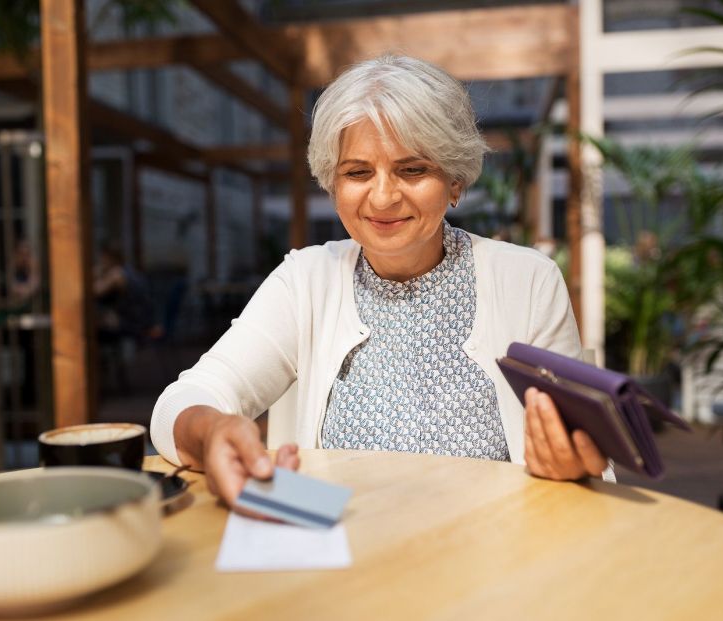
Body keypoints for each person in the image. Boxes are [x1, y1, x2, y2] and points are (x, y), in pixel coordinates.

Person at [150, 56, 611, 512]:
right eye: (357, 172)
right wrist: (211, 432)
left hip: (495, 555)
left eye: (412, 170)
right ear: (333, 186)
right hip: (345, 556)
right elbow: (183, 403)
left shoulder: (527, 281)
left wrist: (572, 461)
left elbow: (583, 451)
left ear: (454, 181)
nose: (384, 196)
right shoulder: (305, 280)